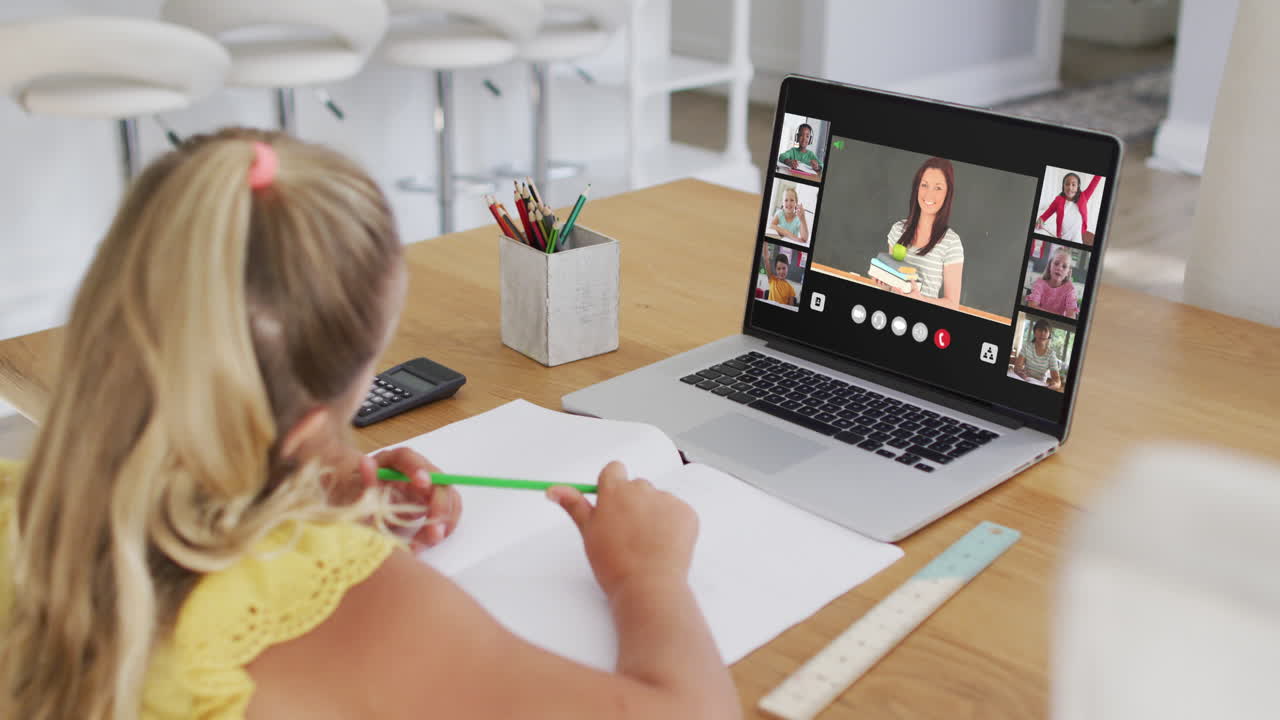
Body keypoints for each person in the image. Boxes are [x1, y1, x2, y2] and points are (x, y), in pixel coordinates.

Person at [0, 129, 740, 720]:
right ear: (305, 427)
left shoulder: (17, 508)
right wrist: (646, 575)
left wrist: (293, 504)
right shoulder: (348, 611)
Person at [876, 157, 964, 309]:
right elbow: (891, 286)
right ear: (917, 188)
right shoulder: (898, 230)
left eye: (938, 188)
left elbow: (952, 304)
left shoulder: (952, 243)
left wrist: (920, 299)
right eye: (924, 185)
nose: (929, 195)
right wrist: (884, 283)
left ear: (947, 193)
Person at [1036, 172, 1102, 245]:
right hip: (1063, 236)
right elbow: (1048, 212)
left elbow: (1094, 182)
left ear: (1078, 187)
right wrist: (1041, 219)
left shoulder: (1084, 197)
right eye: (1067, 184)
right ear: (1063, 186)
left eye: (1073, 185)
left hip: (1077, 237)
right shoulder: (1058, 200)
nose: (1070, 187)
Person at [1025, 245, 1080, 319]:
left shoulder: (1070, 289)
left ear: (1068, 272)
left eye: (1064, 266)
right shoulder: (1040, 283)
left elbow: (1071, 316)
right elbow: (1032, 307)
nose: (1059, 268)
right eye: (1056, 263)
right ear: (1050, 265)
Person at [1013, 318, 1064, 390]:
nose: (1042, 333)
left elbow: (1057, 381)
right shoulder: (1027, 346)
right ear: (1034, 332)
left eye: (1045, 330)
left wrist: (1054, 385)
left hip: (1040, 385)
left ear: (1049, 334)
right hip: (1024, 380)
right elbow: (1017, 367)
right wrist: (1019, 371)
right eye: (1040, 330)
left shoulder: (1051, 354)